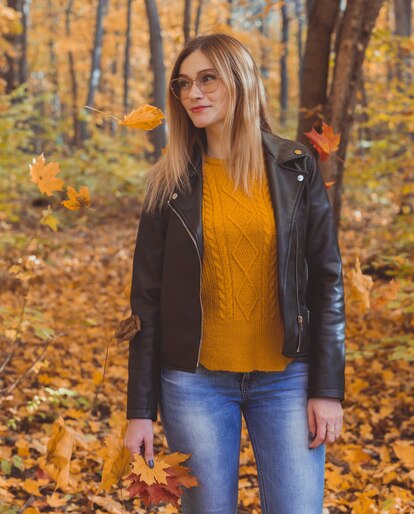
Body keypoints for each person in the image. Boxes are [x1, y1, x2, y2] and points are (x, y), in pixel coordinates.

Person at [124, 33, 345, 514]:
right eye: (183, 84)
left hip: (288, 377)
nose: (192, 94)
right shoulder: (170, 181)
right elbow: (147, 300)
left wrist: (328, 389)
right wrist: (139, 411)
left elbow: (327, 280)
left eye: (208, 79)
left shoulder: (294, 167)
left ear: (240, 81)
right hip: (194, 382)